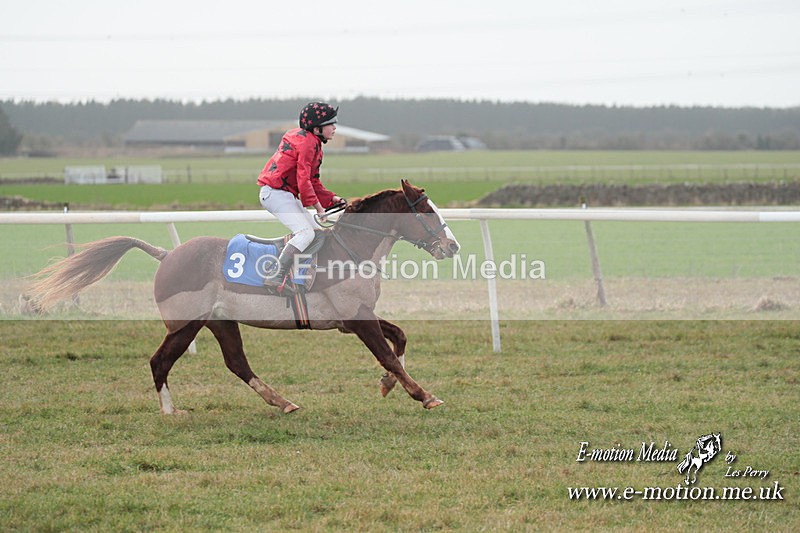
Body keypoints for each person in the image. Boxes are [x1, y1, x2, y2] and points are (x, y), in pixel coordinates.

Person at [257, 102, 345, 289]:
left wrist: (331, 199)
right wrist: (320, 209)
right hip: (275, 194)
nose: (334, 128)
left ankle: (298, 273)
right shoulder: (308, 143)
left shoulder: (313, 143)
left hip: (284, 194)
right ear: (317, 128)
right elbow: (303, 179)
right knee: (305, 233)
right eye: (331, 123)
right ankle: (275, 275)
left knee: (319, 234)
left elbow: (312, 181)